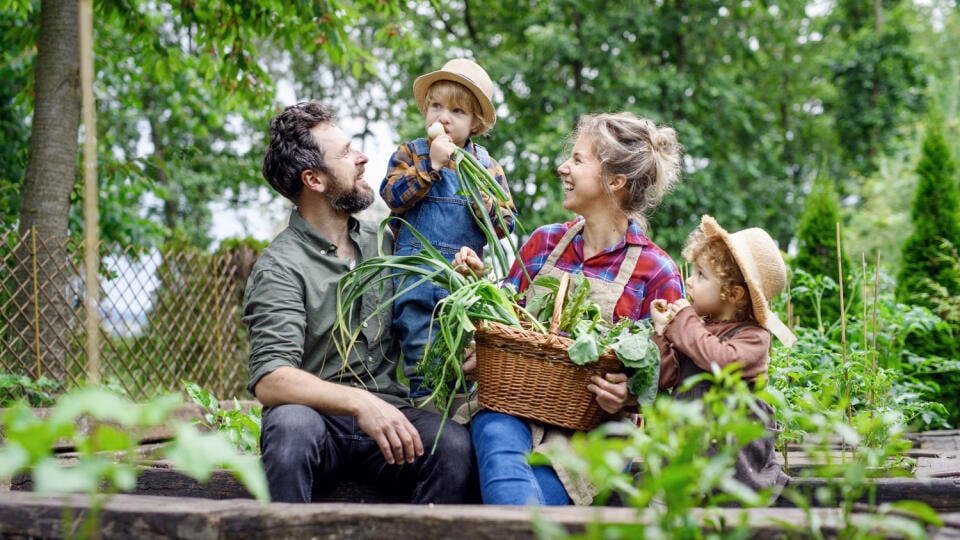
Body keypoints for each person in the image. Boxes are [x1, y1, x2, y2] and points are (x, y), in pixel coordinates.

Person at [243, 101, 475, 504]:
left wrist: (460, 322)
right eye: (348, 153)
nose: (364, 157)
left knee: (452, 446)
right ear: (314, 179)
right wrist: (359, 403)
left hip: (390, 425)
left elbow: (424, 318)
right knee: (290, 428)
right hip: (321, 425)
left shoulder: (388, 244)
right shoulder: (279, 266)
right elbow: (271, 379)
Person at [453, 111, 686, 505]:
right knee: (496, 435)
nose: (563, 167)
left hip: (593, 431)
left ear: (614, 181)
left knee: (536, 496)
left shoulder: (655, 270)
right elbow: (504, 323)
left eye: (578, 160)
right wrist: (479, 297)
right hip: (516, 405)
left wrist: (630, 392)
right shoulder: (544, 244)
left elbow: (669, 374)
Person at [380, 58, 516, 401]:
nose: (443, 117)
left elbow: (506, 224)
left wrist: (484, 202)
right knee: (423, 359)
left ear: (475, 124)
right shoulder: (411, 154)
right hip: (416, 280)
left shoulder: (487, 167)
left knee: (465, 359)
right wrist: (432, 165)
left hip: (463, 282)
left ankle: (460, 414)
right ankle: (427, 410)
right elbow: (391, 196)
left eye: (457, 111)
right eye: (437, 106)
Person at [650, 214, 797, 493]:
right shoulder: (697, 329)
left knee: (730, 503)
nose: (689, 282)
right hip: (689, 447)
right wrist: (661, 333)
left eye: (701, 275)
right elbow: (665, 377)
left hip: (735, 461)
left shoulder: (754, 337)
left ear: (734, 294)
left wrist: (683, 321)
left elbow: (721, 361)